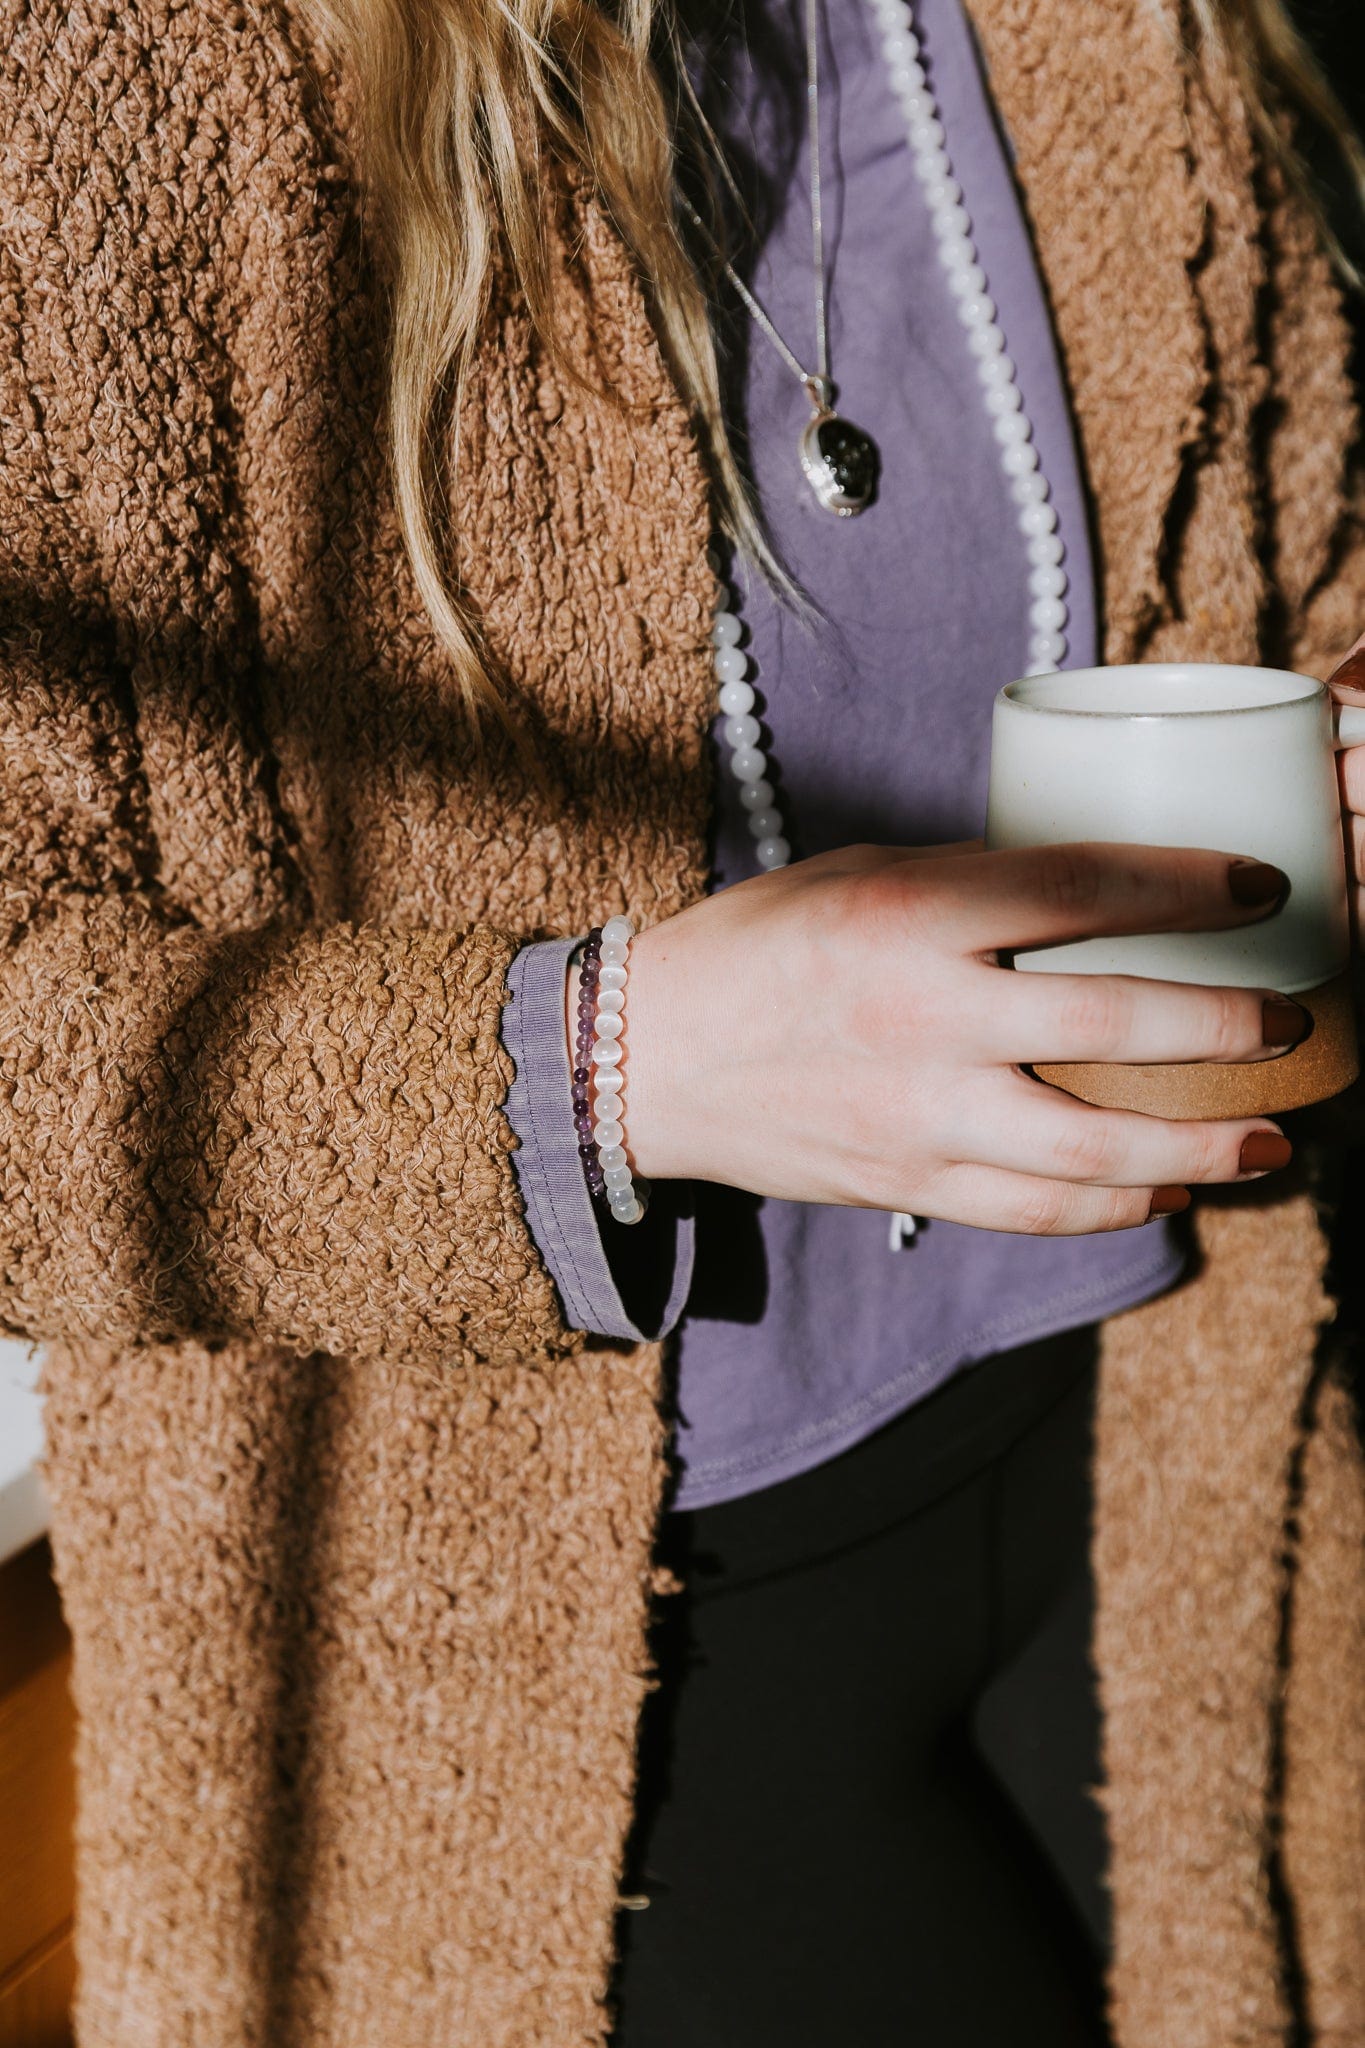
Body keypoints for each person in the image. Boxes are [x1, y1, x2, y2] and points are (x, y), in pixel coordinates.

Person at [1, 0, 1363, 2042]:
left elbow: (1290, 518)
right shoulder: (95, 67)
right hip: (554, 1674)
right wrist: (614, 1060)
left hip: (1170, 1441)